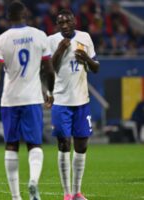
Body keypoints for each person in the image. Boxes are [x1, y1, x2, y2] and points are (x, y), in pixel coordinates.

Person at [0, 1, 55, 200]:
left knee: (11, 146)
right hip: (32, 98)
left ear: (7, 17)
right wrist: (50, 91)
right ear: (26, 14)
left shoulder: (0, 40)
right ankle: (33, 181)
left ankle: (16, 197)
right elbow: (48, 70)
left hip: (10, 100)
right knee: (35, 145)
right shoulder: (39, 36)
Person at [48, 9, 99, 200]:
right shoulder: (51, 40)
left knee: (81, 146)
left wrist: (86, 58)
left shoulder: (85, 37)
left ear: (74, 21)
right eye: (60, 23)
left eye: (67, 21)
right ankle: (67, 194)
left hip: (82, 101)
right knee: (64, 144)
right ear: (57, 25)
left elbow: (96, 67)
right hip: (61, 101)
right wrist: (60, 50)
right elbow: (48, 69)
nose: (64, 25)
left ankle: (77, 192)